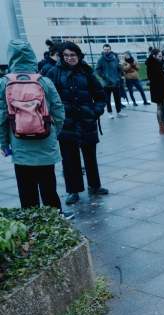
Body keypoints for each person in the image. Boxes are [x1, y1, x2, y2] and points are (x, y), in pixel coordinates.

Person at [0, 40, 72, 219]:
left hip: (19, 141)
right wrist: (54, 133)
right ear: (31, 56)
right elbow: (59, 111)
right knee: (48, 183)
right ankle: (55, 217)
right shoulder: (44, 81)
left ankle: (31, 220)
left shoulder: (3, 83)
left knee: (25, 186)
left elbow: (1, 117)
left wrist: (4, 142)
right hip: (45, 138)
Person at [46, 41, 109, 206]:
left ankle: (94, 185)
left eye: (72, 55)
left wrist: (95, 112)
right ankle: (72, 191)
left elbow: (101, 96)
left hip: (86, 121)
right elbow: (47, 99)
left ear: (79, 56)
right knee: (69, 159)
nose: (69, 58)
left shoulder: (87, 72)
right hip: (66, 124)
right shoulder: (53, 73)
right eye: (65, 55)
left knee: (90, 157)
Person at [146, 49, 164, 133]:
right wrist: (163, 72)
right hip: (157, 88)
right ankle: (161, 127)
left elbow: (159, 72)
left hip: (161, 86)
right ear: (154, 56)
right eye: (159, 56)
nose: (161, 58)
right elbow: (152, 76)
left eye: (161, 56)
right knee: (160, 107)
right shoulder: (151, 64)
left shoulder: (159, 62)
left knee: (163, 106)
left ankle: (163, 124)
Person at [96, 44, 126, 119]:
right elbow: (98, 70)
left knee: (117, 98)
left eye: (108, 49)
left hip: (116, 82)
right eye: (105, 49)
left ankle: (119, 112)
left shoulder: (114, 58)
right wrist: (105, 76)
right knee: (107, 99)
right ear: (103, 50)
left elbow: (119, 68)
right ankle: (110, 112)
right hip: (107, 83)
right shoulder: (101, 59)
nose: (106, 51)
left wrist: (119, 76)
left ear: (110, 49)